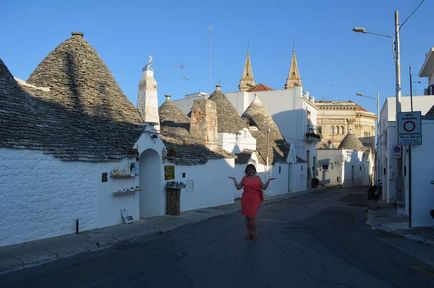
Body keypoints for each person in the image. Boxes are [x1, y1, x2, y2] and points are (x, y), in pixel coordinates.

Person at [229, 164, 275, 241]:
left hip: (254, 200)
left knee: (252, 218)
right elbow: (238, 187)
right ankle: (249, 234)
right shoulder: (244, 178)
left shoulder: (257, 178)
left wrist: (268, 181)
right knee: (247, 218)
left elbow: (263, 187)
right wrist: (234, 180)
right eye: (249, 170)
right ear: (246, 171)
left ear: (254, 170)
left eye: (252, 169)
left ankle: (253, 234)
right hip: (246, 199)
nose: (250, 171)